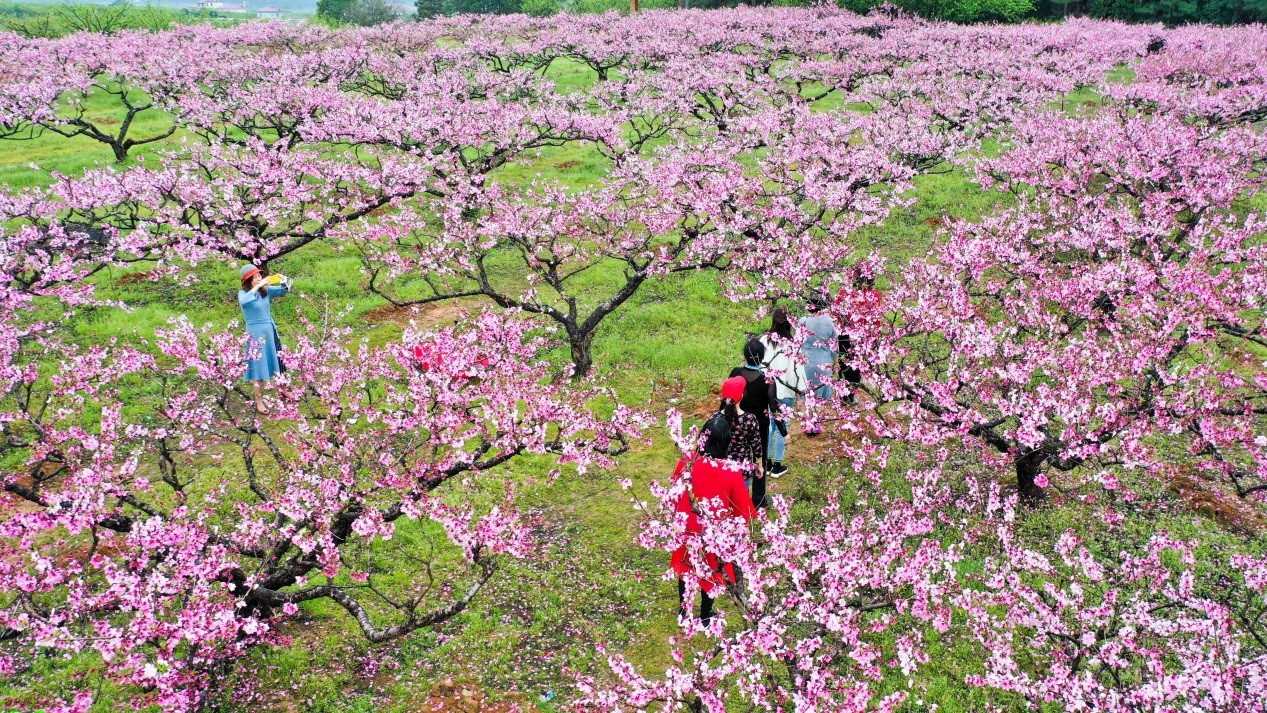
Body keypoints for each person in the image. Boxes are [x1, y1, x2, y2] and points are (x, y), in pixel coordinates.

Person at [670, 399, 756, 624]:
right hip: (714, 532)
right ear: (726, 443)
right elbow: (742, 509)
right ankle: (706, 616)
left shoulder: (687, 461)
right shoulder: (731, 470)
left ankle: (683, 612)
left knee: (687, 567)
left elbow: (674, 492)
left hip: (688, 525)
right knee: (712, 571)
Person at [729, 339, 779, 507]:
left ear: (745, 355)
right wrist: (783, 431)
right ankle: (758, 499)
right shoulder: (767, 379)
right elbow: (773, 406)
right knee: (760, 459)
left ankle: (736, 495)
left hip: (737, 424)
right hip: (759, 426)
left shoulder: (736, 372)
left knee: (736, 457)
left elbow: (728, 397)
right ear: (762, 357)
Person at [238, 264, 291, 415]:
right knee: (259, 368)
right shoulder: (243, 294)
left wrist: (283, 279)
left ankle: (283, 389)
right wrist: (258, 286)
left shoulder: (265, 291)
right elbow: (244, 301)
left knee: (279, 362)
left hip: (270, 331)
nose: (258, 278)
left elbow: (285, 289)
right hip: (256, 335)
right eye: (254, 277)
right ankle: (259, 401)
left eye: (259, 276)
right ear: (248, 280)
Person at [760, 308, 805, 477]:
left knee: (769, 426)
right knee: (782, 426)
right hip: (787, 390)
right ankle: (777, 465)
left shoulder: (765, 340)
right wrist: (800, 395)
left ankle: (767, 462)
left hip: (767, 390)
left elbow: (761, 365)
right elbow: (799, 370)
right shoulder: (793, 343)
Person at [834, 273, 883, 405]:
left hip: (844, 332)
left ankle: (843, 394)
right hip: (863, 336)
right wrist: (875, 337)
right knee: (857, 366)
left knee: (844, 363)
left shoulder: (844, 292)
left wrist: (844, 323)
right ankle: (850, 396)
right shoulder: (874, 295)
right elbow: (876, 319)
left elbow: (836, 311)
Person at [798, 293, 838, 424]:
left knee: (808, 396)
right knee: (822, 398)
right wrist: (836, 363)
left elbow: (798, 343)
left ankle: (808, 422)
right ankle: (818, 423)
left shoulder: (802, 321)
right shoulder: (831, 322)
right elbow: (834, 347)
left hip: (807, 363)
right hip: (824, 363)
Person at [721, 375, 763, 484]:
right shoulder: (749, 419)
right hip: (742, 470)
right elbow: (756, 446)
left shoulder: (715, 419)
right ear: (742, 395)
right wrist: (759, 465)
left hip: (721, 468)